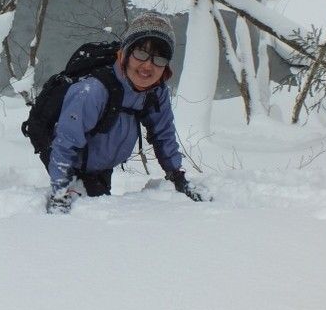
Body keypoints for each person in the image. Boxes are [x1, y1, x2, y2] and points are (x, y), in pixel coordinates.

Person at [46, 12, 210, 214]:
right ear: (124, 54)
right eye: (141, 53)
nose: (148, 65)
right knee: (88, 222)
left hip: (102, 167)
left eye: (159, 58)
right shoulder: (92, 91)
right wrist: (60, 191)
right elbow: (65, 142)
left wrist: (176, 175)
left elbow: (163, 133)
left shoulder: (155, 91)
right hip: (72, 165)